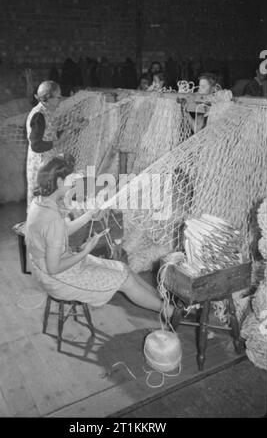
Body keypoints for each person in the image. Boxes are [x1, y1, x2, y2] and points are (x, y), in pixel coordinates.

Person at [26, 157, 174, 317]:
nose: (74, 184)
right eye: (71, 180)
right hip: (58, 278)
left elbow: (61, 231)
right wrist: (85, 251)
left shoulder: (41, 202)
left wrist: (89, 215)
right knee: (125, 281)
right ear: (60, 182)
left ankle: (164, 302)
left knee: (123, 268)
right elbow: (54, 268)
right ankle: (169, 312)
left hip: (53, 266)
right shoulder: (52, 218)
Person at [26, 80, 65, 210]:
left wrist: (72, 128)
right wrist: (56, 143)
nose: (60, 99)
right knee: (42, 196)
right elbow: (36, 145)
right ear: (48, 98)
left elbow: (50, 132)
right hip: (41, 163)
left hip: (48, 162)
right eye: (58, 97)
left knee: (49, 196)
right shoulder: (39, 115)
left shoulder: (47, 111)